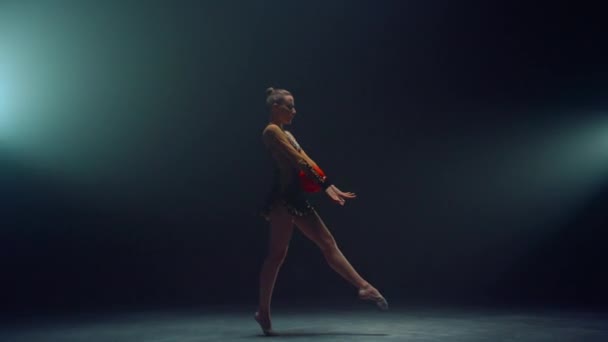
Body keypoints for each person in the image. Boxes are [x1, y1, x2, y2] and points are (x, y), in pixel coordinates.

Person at [255, 87, 388, 336]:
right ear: (275, 107)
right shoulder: (271, 132)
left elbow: (308, 159)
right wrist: (325, 186)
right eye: (289, 106)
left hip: (295, 198)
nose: (294, 111)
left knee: (327, 243)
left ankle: (364, 287)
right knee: (276, 256)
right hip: (283, 201)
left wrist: (331, 185)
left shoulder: (287, 133)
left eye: (294, 106)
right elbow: (298, 161)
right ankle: (263, 311)